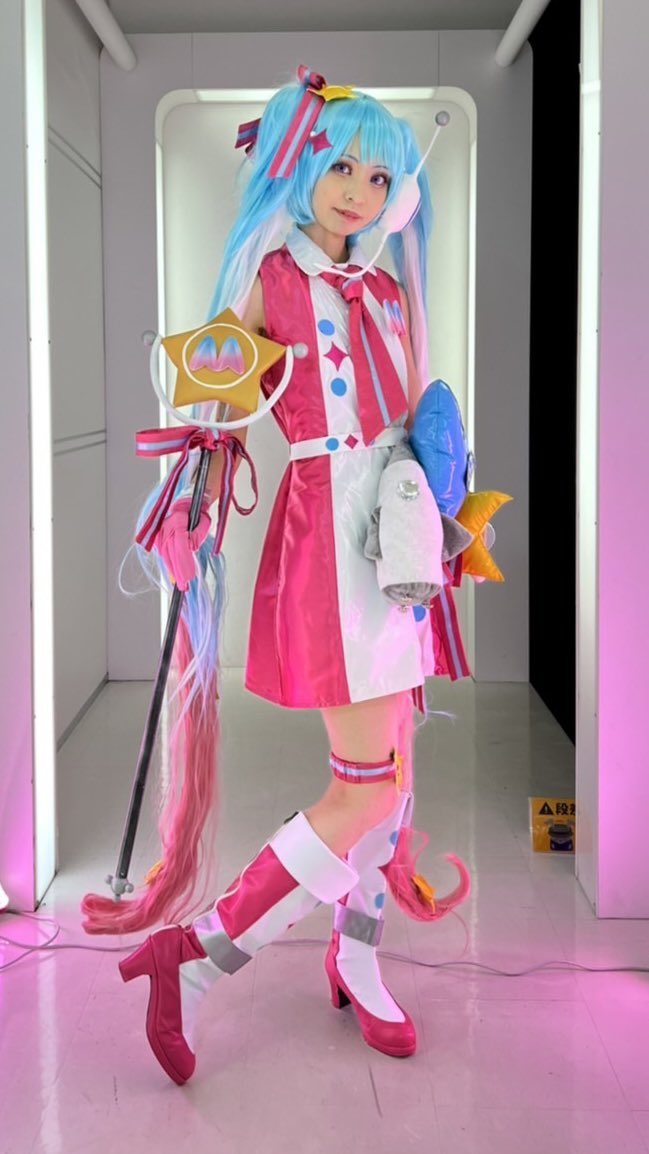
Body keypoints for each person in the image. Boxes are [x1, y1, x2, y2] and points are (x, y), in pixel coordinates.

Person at [116, 66, 468, 1085]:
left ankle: (355, 956)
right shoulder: (269, 280)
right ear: (298, 166)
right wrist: (194, 482)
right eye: (340, 166)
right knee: (365, 787)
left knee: (394, 776)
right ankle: (196, 957)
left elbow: (412, 415)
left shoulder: (389, 288)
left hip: (401, 532)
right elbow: (215, 401)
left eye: (378, 175)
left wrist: (445, 506)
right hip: (325, 533)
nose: (358, 191)